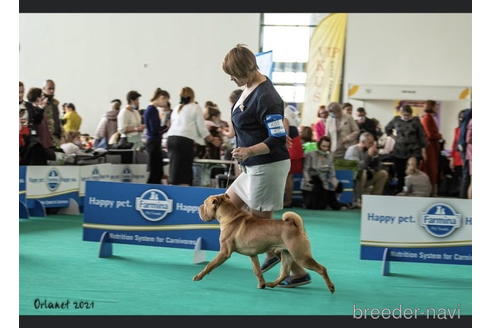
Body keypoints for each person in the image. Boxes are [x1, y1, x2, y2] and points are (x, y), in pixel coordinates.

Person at [222, 44, 310, 288]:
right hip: (252, 166)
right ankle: (272, 255)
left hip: (267, 165)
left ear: (246, 70)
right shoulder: (248, 88)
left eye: (233, 73)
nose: (231, 79)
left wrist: (249, 150)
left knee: (265, 229)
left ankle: (297, 271)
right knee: (225, 205)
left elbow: (276, 138)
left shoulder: (268, 96)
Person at [166, 87, 219, 186]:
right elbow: (201, 128)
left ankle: (173, 193)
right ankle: (184, 197)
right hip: (184, 141)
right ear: (193, 96)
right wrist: (212, 140)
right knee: (185, 172)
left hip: (171, 139)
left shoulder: (177, 107)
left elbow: (171, 124)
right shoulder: (195, 107)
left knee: (174, 171)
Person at [384, 105, 427, 193]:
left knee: (412, 171)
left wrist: (423, 151)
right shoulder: (396, 120)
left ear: (411, 114)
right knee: (400, 172)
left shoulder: (416, 121)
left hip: (413, 150)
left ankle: (413, 191)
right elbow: (387, 129)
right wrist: (394, 137)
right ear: (401, 114)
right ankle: (400, 190)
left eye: (408, 115)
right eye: (404, 115)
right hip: (399, 150)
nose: (406, 117)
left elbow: (422, 136)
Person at [301, 136, 346, 210]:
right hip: (310, 185)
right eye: (323, 146)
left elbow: (332, 174)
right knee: (312, 206)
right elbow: (305, 170)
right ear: (319, 145)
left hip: (324, 186)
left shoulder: (330, 156)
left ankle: (335, 203)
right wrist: (309, 181)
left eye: (327, 147)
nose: (325, 149)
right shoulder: (310, 154)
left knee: (323, 206)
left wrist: (336, 183)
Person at [345, 132, 388, 205]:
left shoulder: (367, 150)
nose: (372, 145)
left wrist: (375, 156)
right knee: (363, 172)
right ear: (363, 142)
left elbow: (378, 168)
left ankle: (375, 199)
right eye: (370, 143)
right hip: (353, 179)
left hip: (365, 177)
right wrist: (368, 155)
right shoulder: (353, 150)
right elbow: (357, 168)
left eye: (373, 142)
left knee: (383, 174)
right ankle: (358, 199)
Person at [144, 88, 170, 184]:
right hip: (153, 143)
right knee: (156, 172)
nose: (166, 104)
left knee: (156, 171)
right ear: (161, 98)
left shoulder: (150, 110)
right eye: (166, 101)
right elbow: (155, 129)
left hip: (153, 142)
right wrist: (165, 127)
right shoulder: (152, 110)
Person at [20, 87, 48, 165]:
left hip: (31, 140)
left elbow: (36, 121)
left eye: (22, 92)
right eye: (18, 92)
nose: (20, 94)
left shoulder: (29, 106)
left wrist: (41, 108)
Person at [420, 100, 442, 196]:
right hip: (430, 148)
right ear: (432, 107)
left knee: (433, 169)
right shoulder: (427, 118)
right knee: (431, 169)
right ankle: (431, 192)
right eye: (435, 106)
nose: (437, 108)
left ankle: (432, 191)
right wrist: (439, 135)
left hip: (432, 147)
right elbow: (429, 135)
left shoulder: (429, 118)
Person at [283, 104, 303, 207]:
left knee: (287, 176)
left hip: (291, 146)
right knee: (288, 176)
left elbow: (285, 135)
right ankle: (288, 200)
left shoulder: (284, 115)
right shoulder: (289, 112)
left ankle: (287, 201)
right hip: (295, 145)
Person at [42, 79, 63, 148]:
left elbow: (57, 120)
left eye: (53, 89)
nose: (52, 91)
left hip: (56, 138)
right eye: (49, 88)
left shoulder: (55, 103)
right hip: (46, 138)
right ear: (44, 88)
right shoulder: (40, 103)